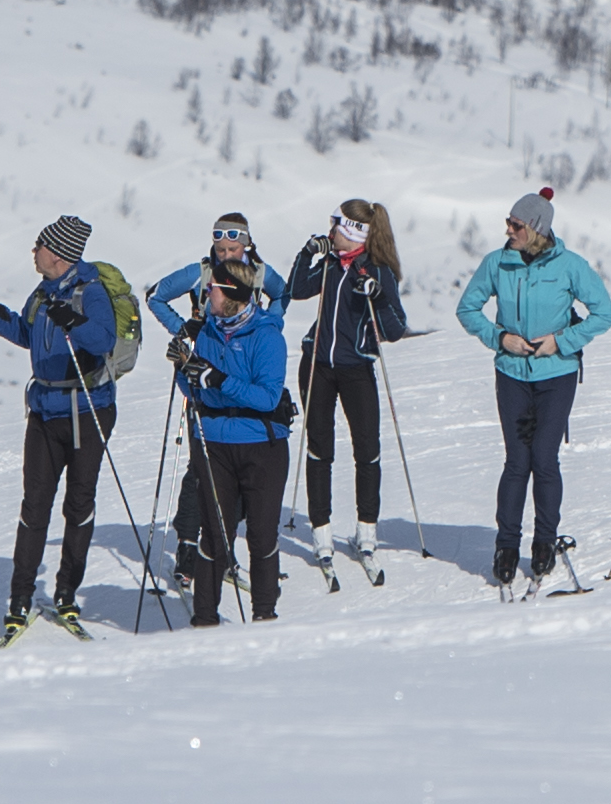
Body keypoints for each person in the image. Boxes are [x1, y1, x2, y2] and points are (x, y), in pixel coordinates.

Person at [0, 217, 120, 633]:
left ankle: (67, 593)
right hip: (46, 411)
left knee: (78, 505)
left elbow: (104, 341)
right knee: (34, 507)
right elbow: (27, 333)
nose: (33, 251)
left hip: (87, 410)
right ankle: (20, 598)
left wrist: (75, 322)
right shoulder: (44, 292)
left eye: (39, 246)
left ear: (59, 254)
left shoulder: (92, 293)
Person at [451, 187, 611, 586]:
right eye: (509, 222)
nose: (508, 230)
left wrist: (561, 342)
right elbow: (467, 308)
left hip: (556, 376)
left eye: (516, 224)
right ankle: (506, 546)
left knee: (544, 459)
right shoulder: (498, 263)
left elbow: (604, 313)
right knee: (516, 462)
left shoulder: (570, 266)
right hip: (511, 375)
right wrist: (499, 338)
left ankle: (544, 542)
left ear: (537, 229)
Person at [282, 196, 413, 567]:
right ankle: (321, 533)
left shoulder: (377, 269)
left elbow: (396, 328)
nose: (330, 229)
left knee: (367, 450)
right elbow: (295, 289)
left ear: (352, 231)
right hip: (317, 365)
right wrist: (307, 253)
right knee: (319, 448)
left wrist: (377, 295)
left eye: (335, 223)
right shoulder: (328, 264)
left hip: (357, 368)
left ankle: (366, 531)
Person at [171, 247, 297, 621]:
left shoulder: (267, 336)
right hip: (213, 443)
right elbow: (194, 388)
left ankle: (264, 615)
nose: (206, 293)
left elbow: (267, 396)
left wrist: (219, 380)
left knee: (260, 535)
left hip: (262, 445)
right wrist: (185, 368)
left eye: (212, 289)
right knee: (214, 534)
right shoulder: (207, 331)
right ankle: (204, 618)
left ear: (231, 294)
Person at [143, 210, 261, 585]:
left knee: (238, 469)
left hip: (238, 378)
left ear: (246, 245)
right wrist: (185, 329)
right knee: (201, 467)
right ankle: (188, 549)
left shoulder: (257, 273)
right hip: (199, 373)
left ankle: (220, 549)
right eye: (220, 246)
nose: (225, 254)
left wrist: (268, 325)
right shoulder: (203, 273)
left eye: (232, 247)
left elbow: (286, 293)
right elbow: (156, 296)